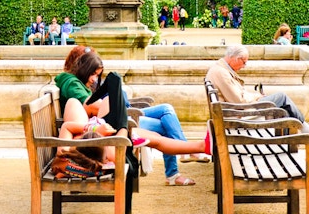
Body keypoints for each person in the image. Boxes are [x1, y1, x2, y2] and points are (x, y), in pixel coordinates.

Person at [56, 48, 212, 183]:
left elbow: (68, 130)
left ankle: (199, 149)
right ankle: (201, 148)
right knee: (157, 132)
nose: (94, 79)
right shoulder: (106, 155)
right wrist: (116, 128)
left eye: (97, 75)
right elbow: (89, 113)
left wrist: (94, 128)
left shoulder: (69, 151)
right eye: (94, 74)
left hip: (98, 134)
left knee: (96, 97)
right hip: (107, 137)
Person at [205, 44, 309, 136]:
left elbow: (237, 96)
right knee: (281, 97)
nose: (244, 66)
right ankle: (304, 129)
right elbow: (239, 101)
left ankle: (299, 130)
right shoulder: (222, 73)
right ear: (236, 59)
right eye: (244, 62)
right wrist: (258, 97)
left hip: (232, 113)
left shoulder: (220, 69)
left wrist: (257, 96)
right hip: (238, 116)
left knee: (280, 108)